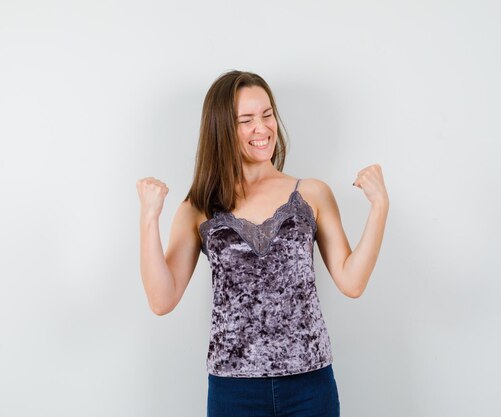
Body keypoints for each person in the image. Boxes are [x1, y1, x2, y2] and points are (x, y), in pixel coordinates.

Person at [136, 70, 389, 417]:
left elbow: (352, 281)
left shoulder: (312, 193)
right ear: (222, 128)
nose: (262, 128)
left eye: (267, 114)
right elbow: (161, 300)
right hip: (233, 391)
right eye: (246, 120)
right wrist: (150, 217)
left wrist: (379, 207)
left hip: (310, 385)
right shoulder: (199, 207)